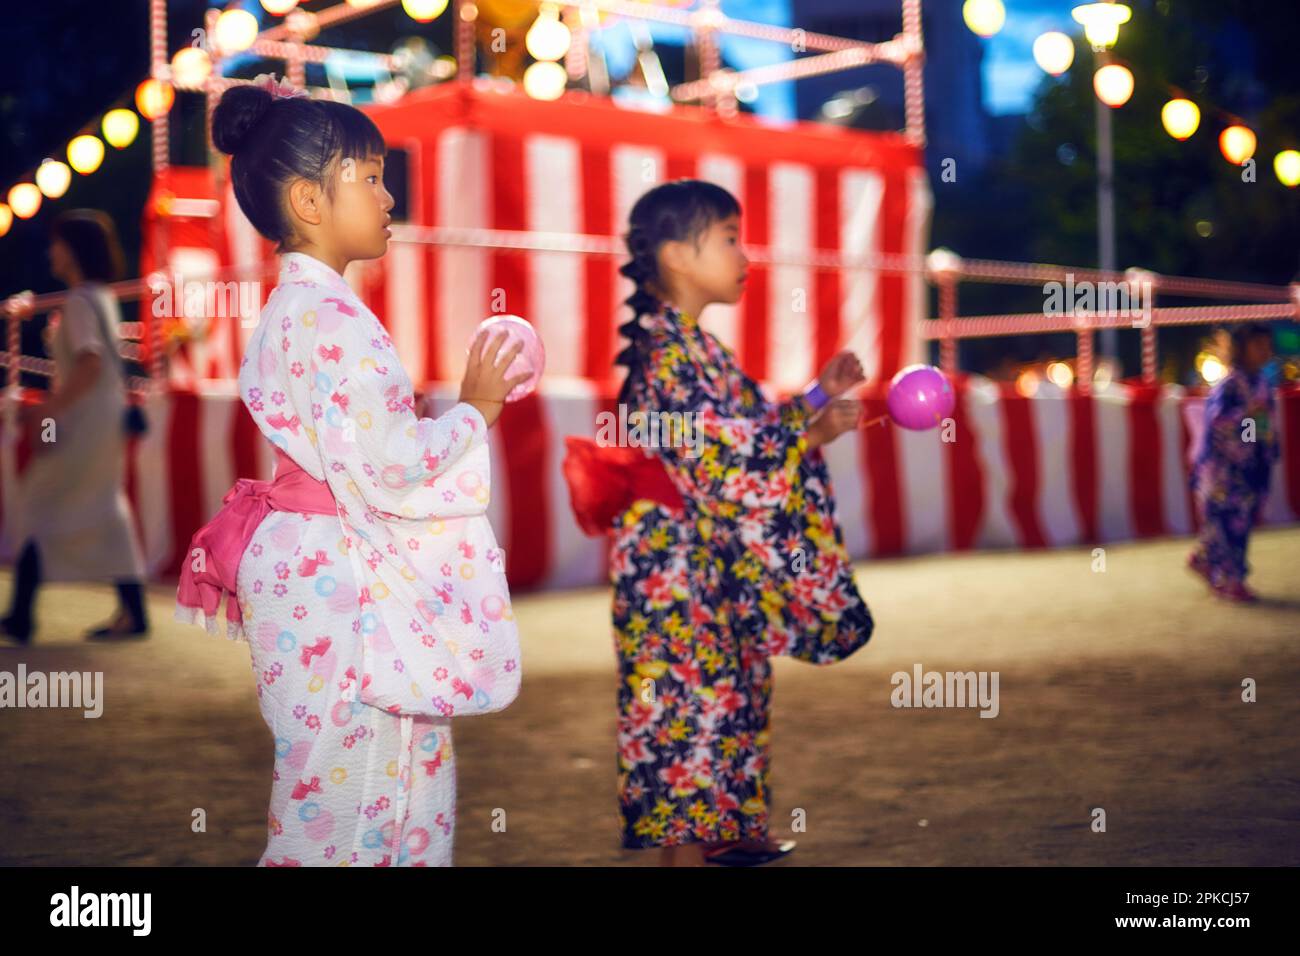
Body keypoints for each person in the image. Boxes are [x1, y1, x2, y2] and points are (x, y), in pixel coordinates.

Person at [174, 74, 527, 866]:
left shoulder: (300, 309)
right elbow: (393, 467)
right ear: (308, 202)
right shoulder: (328, 317)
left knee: (368, 770)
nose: (388, 195)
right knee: (352, 790)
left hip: (311, 563)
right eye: (367, 178)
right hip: (333, 576)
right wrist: (475, 411)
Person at [593, 179, 875, 866]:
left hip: (709, 574)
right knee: (690, 746)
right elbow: (718, 461)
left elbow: (746, 425)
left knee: (716, 728)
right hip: (677, 585)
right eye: (729, 238)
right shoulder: (667, 354)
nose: (745, 255)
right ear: (678, 255)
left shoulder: (692, 347)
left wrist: (816, 396)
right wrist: (809, 440)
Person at [1, 209, 149, 643]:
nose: (52, 251)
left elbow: (89, 361)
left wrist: (50, 410)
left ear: (73, 249)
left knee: (38, 498)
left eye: (57, 243)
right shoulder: (97, 297)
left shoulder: (81, 301)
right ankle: (132, 611)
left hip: (83, 416)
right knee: (102, 506)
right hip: (102, 416)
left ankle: (22, 615)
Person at [1187, 322, 1279, 602]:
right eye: (1257, 345)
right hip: (1223, 469)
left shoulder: (1261, 383)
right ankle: (1232, 577)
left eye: (1266, 345)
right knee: (1230, 522)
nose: (1264, 350)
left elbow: (1262, 424)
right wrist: (1246, 417)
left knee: (1237, 520)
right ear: (1241, 348)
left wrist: (1266, 446)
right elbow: (1216, 423)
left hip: (1250, 464)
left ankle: (1206, 560)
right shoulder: (1229, 384)